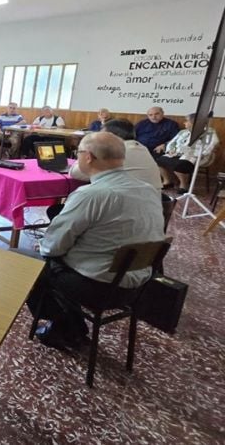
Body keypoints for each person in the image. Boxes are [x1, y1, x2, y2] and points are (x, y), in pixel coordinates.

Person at [28, 132, 165, 349]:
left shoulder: (92, 194)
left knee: (31, 265)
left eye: (79, 152)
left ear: (88, 157)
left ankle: (65, 328)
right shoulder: (148, 190)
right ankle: (72, 327)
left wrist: (44, 247)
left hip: (97, 286)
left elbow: (55, 244)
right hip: (137, 284)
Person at [69, 119, 163, 191]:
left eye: (102, 134)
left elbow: (76, 173)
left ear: (111, 136)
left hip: (128, 207)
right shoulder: (141, 148)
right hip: (151, 203)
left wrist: (85, 150)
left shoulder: (117, 151)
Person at [155, 113, 220, 194]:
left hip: (196, 156)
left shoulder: (209, 132)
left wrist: (198, 155)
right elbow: (172, 142)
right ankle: (167, 181)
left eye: (187, 121)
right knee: (160, 161)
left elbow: (211, 146)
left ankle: (184, 185)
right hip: (177, 154)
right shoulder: (183, 132)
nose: (184, 123)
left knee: (180, 164)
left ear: (194, 123)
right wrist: (170, 150)